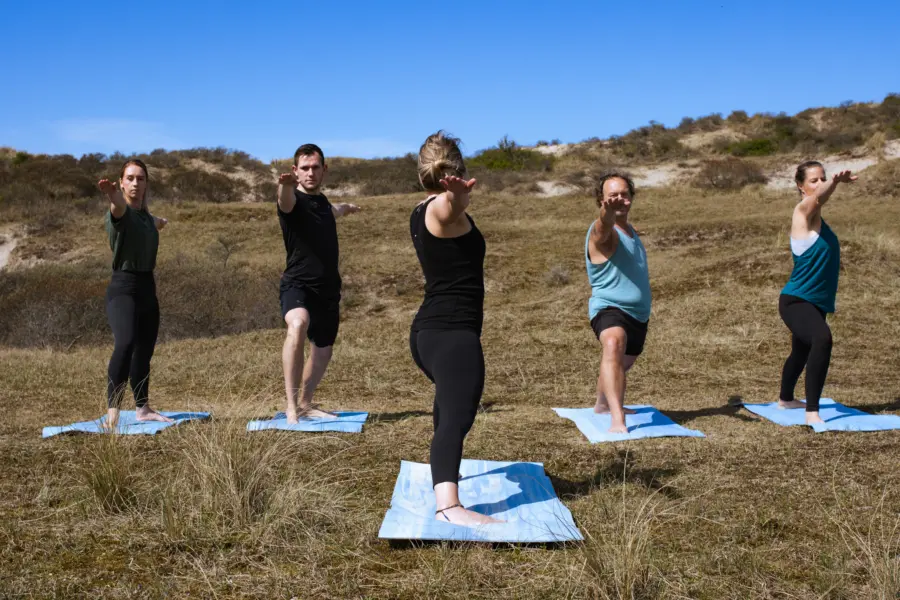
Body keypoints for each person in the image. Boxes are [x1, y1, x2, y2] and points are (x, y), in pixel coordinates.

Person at [409, 131, 501, 527]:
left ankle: (445, 474)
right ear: (457, 169)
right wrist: (458, 198)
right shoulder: (443, 210)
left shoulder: (419, 208)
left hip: (429, 333)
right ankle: (449, 506)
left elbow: (445, 209)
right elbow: (448, 211)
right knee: (458, 414)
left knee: (449, 405)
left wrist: (452, 199)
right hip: (452, 336)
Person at [276, 144, 360, 423]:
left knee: (323, 350)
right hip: (297, 285)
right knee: (297, 324)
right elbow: (285, 201)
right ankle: (290, 406)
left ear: (324, 170)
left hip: (328, 289)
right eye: (304, 168)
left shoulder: (322, 203)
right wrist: (285, 187)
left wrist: (346, 208)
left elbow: (331, 210)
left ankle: (305, 403)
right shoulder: (292, 201)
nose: (310, 172)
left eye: (315, 167)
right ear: (295, 171)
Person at [777, 161, 856, 425]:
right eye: (814, 180)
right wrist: (833, 182)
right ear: (800, 186)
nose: (819, 183)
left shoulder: (820, 220)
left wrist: (829, 184)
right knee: (822, 338)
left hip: (816, 303)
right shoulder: (801, 212)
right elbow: (817, 199)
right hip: (796, 301)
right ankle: (812, 411)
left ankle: (786, 399)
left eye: (822, 178)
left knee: (801, 351)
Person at [98, 159, 171, 429]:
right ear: (122, 182)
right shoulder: (120, 212)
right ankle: (113, 413)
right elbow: (118, 206)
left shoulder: (145, 217)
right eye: (129, 178)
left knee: (144, 350)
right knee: (126, 343)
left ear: (146, 184)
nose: (135, 183)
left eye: (140, 178)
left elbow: (152, 221)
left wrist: (161, 222)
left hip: (147, 288)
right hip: (123, 287)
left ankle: (143, 408)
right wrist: (111, 194)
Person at [585, 172, 652, 434]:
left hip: (639, 315)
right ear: (601, 200)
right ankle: (617, 420)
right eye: (612, 196)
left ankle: (602, 404)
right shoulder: (602, 231)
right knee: (613, 344)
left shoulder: (631, 232)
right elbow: (603, 229)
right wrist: (607, 214)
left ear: (632, 197)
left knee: (620, 365)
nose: (619, 199)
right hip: (609, 307)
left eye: (624, 194)